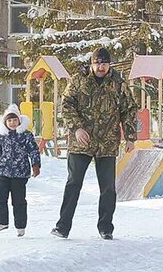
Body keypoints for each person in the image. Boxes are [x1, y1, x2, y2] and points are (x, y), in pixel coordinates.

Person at [52, 47, 138, 240]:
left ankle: (105, 227)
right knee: (73, 183)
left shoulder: (118, 83)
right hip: (81, 142)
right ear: (92, 63)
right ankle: (62, 226)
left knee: (108, 188)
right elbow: (66, 104)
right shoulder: (79, 79)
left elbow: (129, 109)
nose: (101, 67)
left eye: (105, 63)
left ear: (110, 64)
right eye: (98, 63)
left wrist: (130, 137)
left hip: (107, 143)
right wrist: (77, 127)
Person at [0, 105, 41, 236]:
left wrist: (36, 165)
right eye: (9, 121)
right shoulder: (2, 136)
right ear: (5, 122)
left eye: (14, 120)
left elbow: (33, 151)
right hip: (4, 171)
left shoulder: (26, 135)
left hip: (20, 173)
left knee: (18, 200)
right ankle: (2, 222)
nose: (12, 123)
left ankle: (20, 225)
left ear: (19, 121)